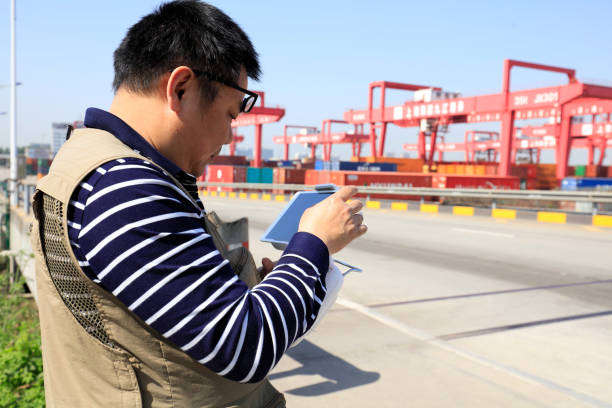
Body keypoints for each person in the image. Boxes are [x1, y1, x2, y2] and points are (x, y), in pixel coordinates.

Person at [30, 1, 367, 407]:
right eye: (229, 114)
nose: (228, 137)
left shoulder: (96, 160)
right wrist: (313, 244)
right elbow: (246, 348)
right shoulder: (126, 189)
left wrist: (272, 287)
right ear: (181, 88)